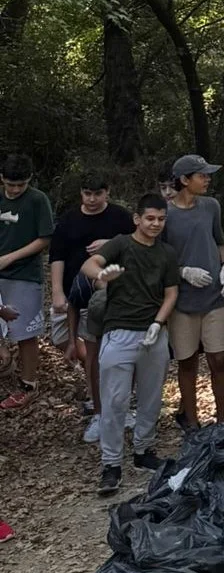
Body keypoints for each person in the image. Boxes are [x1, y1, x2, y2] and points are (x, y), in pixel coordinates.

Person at [79, 194, 180, 495]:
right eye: (150, 218)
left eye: (161, 219)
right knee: (115, 400)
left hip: (153, 333)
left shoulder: (166, 253)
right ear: (137, 218)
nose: (155, 224)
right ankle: (111, 464)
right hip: (119, 331)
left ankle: (143, 449)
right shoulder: (122, 244)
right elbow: (90, 264)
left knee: (151, 396)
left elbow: (171, 293)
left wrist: (158, 323)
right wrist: (102, 274)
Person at [48, 175, 134, 439]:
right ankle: (100, 401)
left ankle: (113, 407)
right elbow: (57, 257)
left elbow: (137, 246)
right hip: (76, 295)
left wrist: (110, 242)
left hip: (113, 295)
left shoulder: (121, 217)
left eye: (98, 193)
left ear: (107, 192)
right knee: (67, 341)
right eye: (87, 193)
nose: (92, 199)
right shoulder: (68, 221)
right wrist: (57, 291)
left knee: (114, 353)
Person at [164, 154, 224, 430]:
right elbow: (160, 258)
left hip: (215, 297)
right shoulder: (166, 215)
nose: (207, 179)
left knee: (218, 358)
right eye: (201, 175)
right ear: (184, 180)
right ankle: (191, 422)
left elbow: (219, 240)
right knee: (187, 361)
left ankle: (222, 420)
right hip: (182, 301)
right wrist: (182, 271)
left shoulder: (211, 206)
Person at [0, 154, 54, 411]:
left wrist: (10, 257)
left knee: (25, 331)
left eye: (19, 185)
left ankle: (28, 383)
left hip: (24, 274)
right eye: (10, 184)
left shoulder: (37, 200)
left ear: (29, 181)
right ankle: (5, 362)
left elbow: (45, 238)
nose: (14, 190)